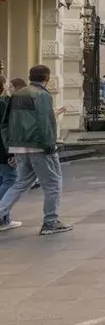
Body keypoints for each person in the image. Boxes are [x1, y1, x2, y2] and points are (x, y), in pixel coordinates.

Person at [0, 65, 73, 235]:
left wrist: (10, 147)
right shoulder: (42, 95)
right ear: (47, 79)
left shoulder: (16, 94)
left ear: (30, 76)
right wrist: (50, 145)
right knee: (53, 183)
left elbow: (5, 123)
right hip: (39, 146)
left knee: (20, 183)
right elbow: (44, 122)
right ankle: (50, 222)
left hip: (19, 146)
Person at [0, 76, 22, 231]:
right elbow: (4, 130)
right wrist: (10, 153)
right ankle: (2, 216)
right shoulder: (1, 104)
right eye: (6, 83)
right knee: (11, 179)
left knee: (3, 179)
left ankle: (5, 217)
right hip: (2, 149)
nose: (8, 85)